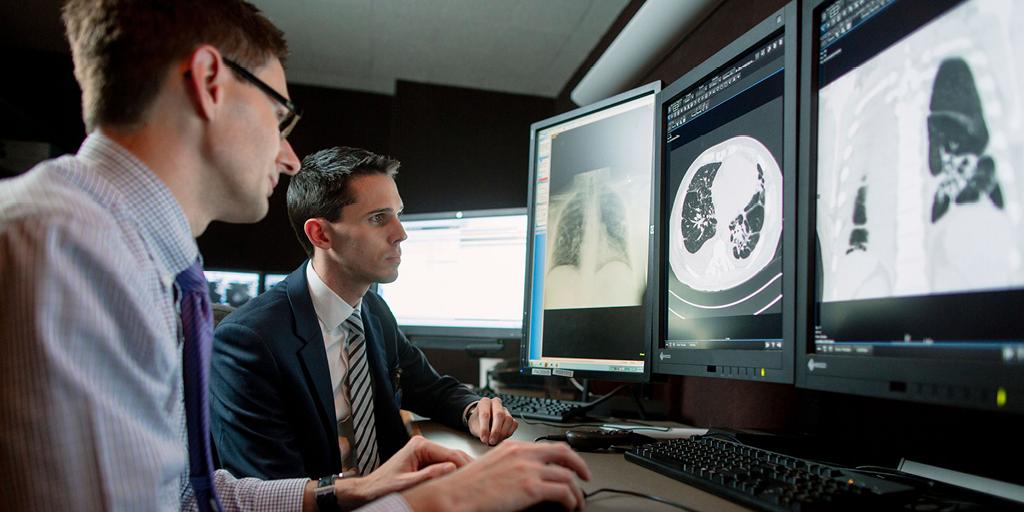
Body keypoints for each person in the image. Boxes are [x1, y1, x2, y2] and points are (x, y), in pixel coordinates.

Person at [0, 1, 589, 511]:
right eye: (280, 118)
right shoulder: (66, 251)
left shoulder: (131, 256)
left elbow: (190, 497)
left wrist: (350, 492)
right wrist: (428, 503)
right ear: (209, 81)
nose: (287, 157)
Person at [211, 146, 518, 482]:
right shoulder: (250, 340)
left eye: (398, 214)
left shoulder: (372, 310)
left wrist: (474, 409)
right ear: (322, 234)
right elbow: (273, 490)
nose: (401, 233)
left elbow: (429, 387)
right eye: (378, 218)